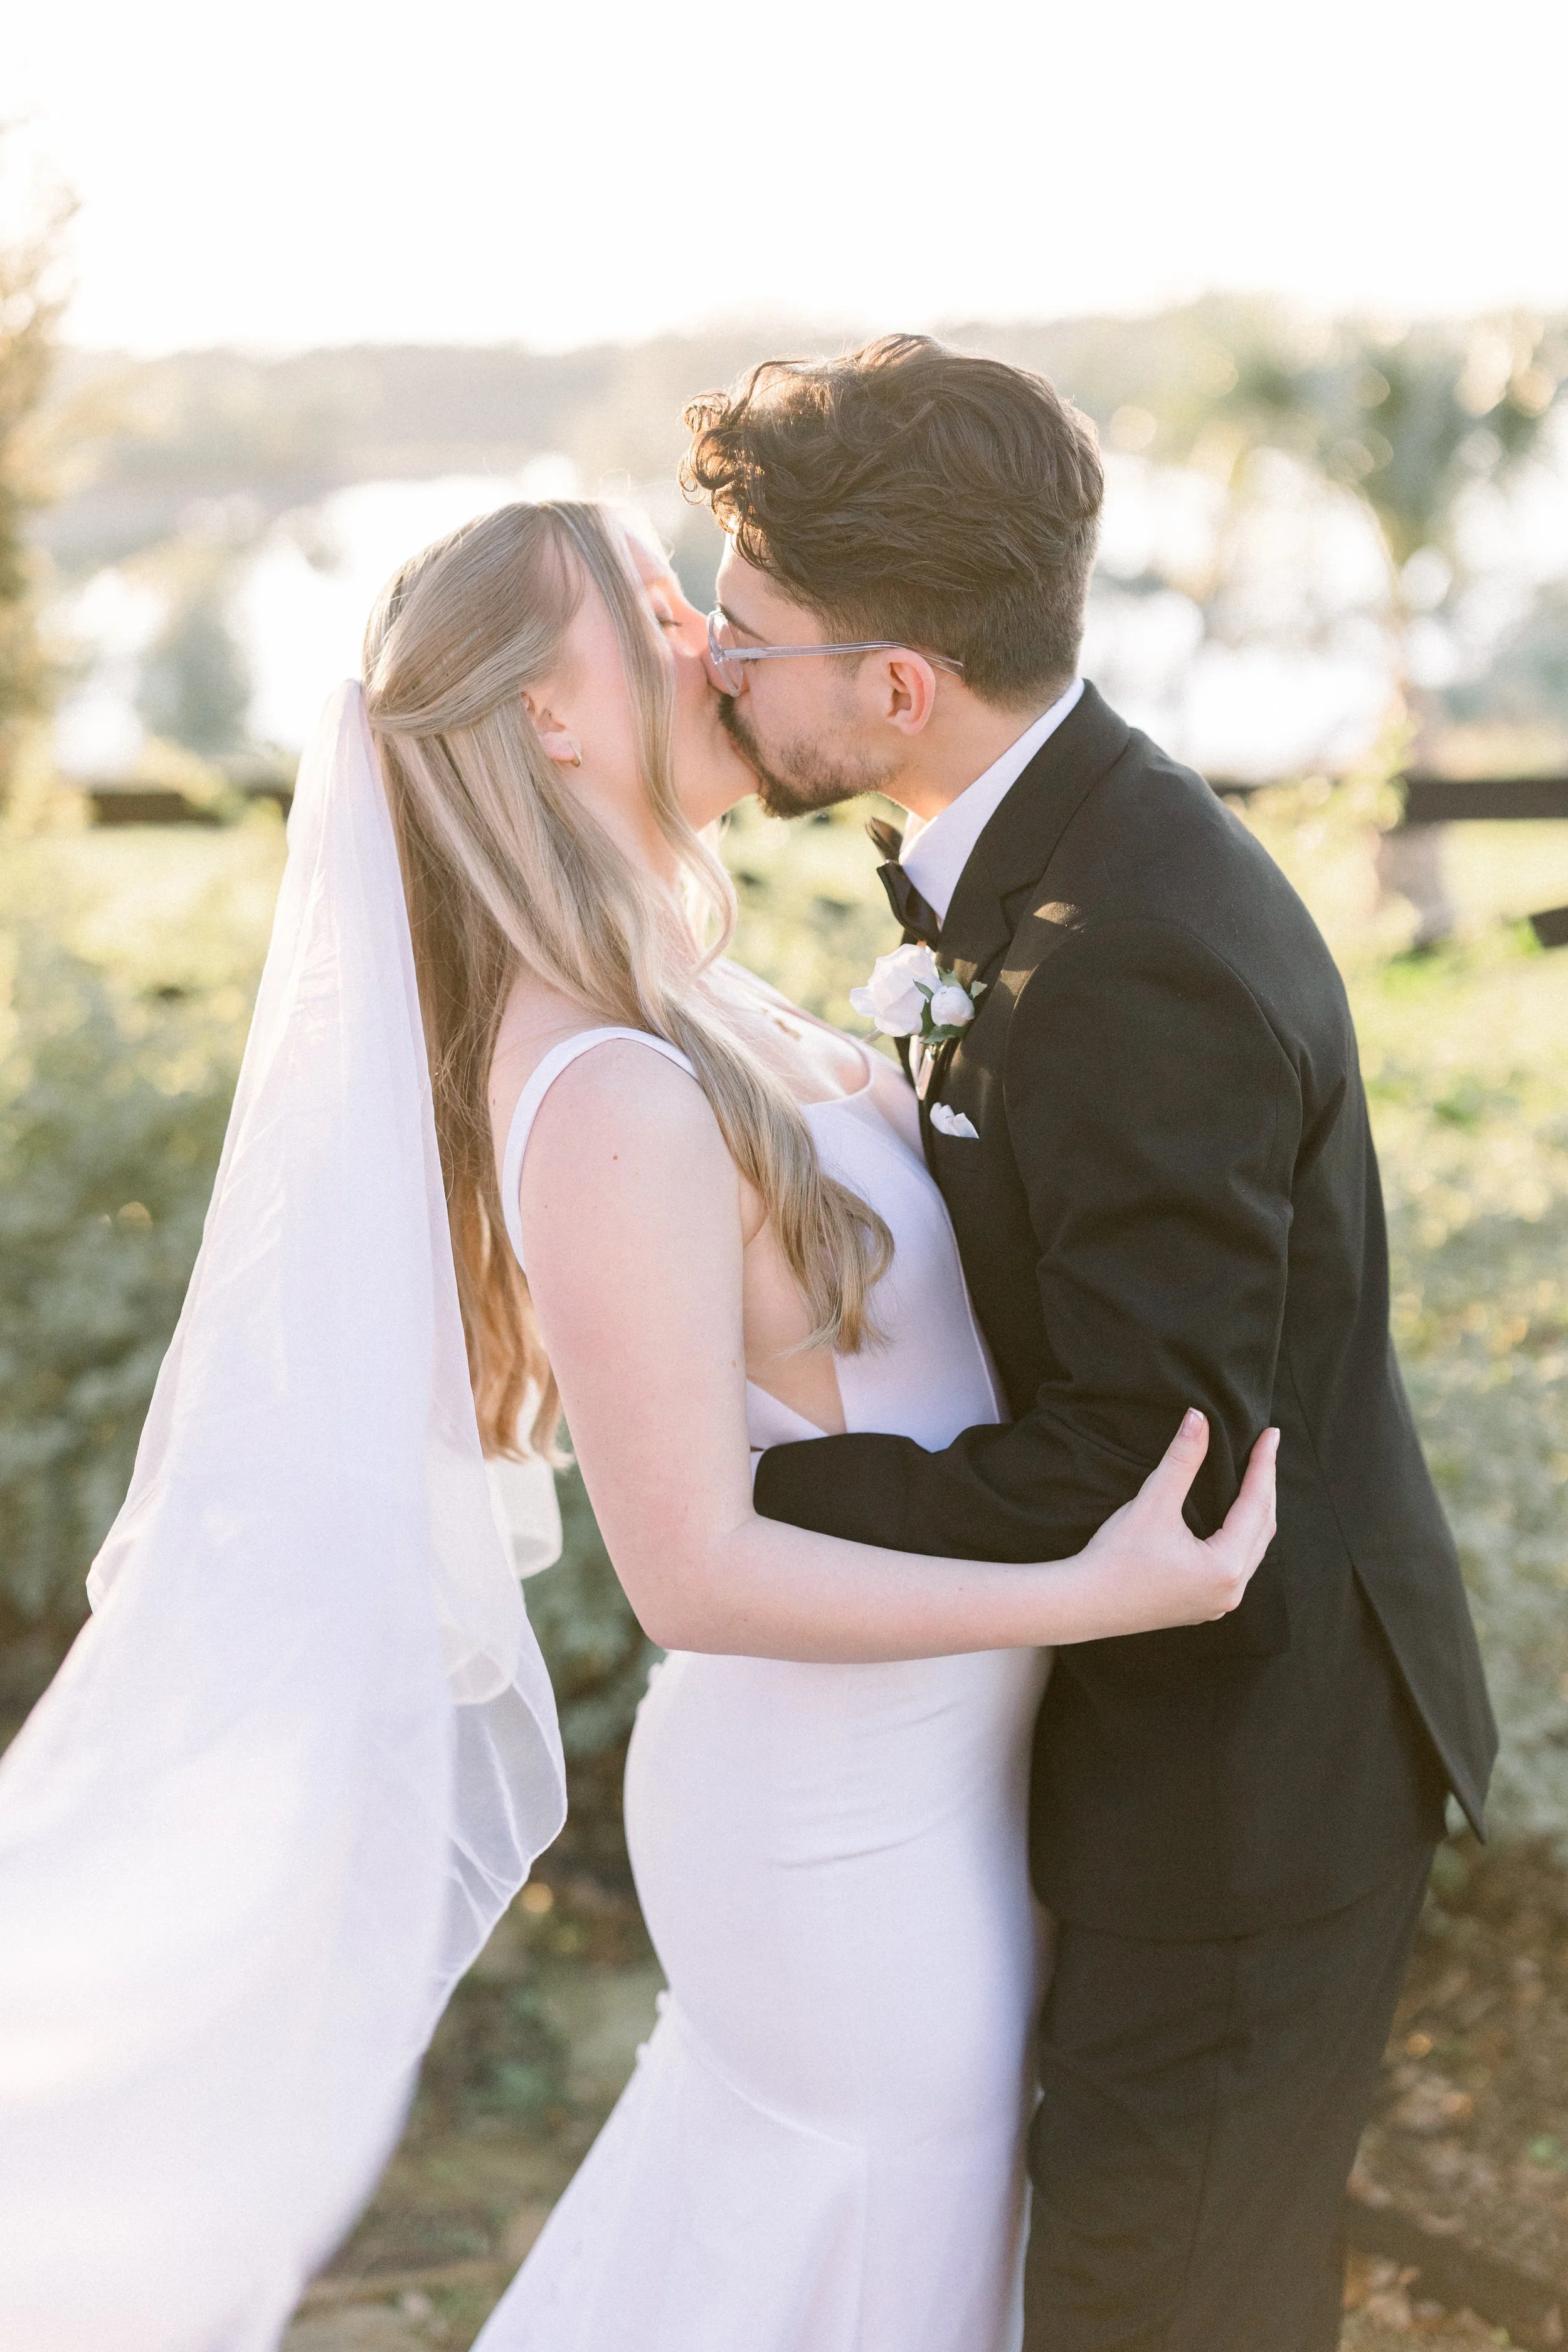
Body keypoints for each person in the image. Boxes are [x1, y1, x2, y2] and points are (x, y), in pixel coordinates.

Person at [356, 495, 1278, 2352]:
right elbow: (689, 1571)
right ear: (549, 712)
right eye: (645, 607)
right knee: (872, 2273)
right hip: (833, 1825)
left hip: (915, 1781)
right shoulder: (608, 1082)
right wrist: (1085, 1593)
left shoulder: (684, 995)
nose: (706, 635)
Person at [677, 334, 1498, 2352]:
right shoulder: (1047, 861)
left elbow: (1158, 1465)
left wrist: (746, 1493)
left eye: (745, 628)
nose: (710, 661)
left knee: (1159, 2302)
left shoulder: (1130, 947)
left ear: (896, 682)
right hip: (1145, 1734)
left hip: (1242, 1769)